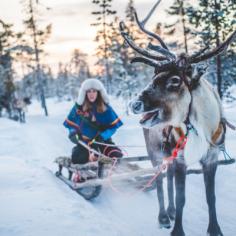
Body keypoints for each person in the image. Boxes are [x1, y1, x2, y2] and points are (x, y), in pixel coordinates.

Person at [63, 78, 123, 165]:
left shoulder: (106, 108)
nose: (91, 94)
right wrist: (72, 133)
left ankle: (112, 174)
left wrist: (102, 136)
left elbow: (113, 127)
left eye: (94, 91)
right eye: (89, 91)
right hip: (84, 143)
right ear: (84, 93)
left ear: (98, 93)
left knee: (116, 155)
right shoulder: (77, 108)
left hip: (103, 142)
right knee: (78, 158)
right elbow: (71, 125)